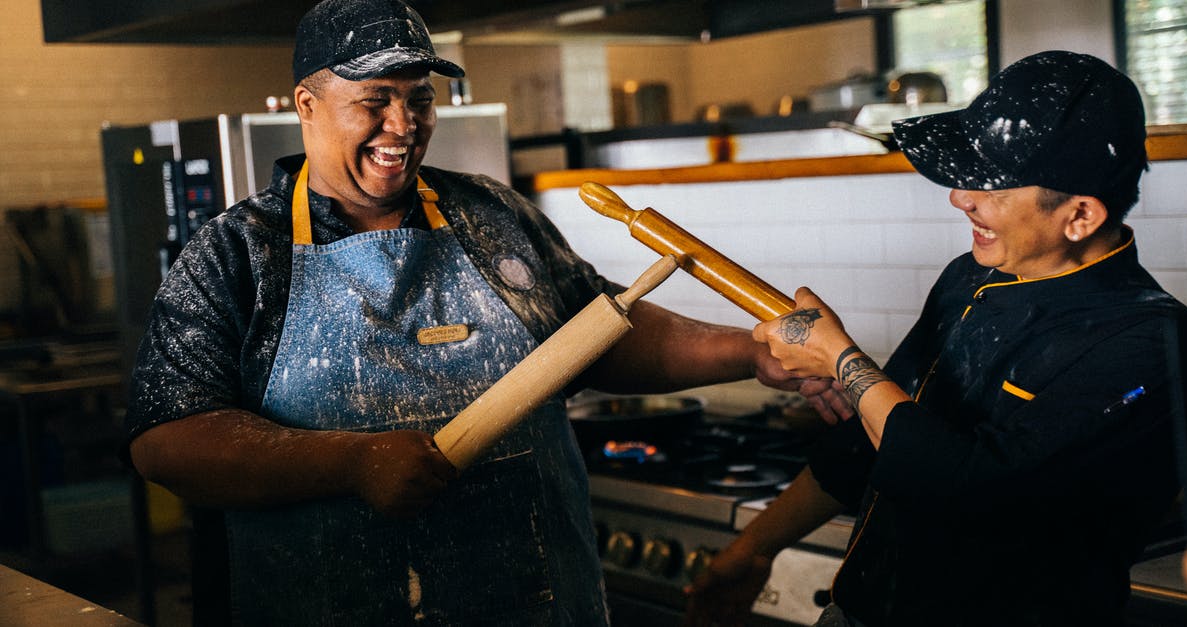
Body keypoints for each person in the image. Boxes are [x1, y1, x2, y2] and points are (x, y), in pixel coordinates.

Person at [123, 0, 799, 624]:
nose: (404, 125)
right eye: (375, 100)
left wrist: (753, 351)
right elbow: (168, 437)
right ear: (307, 104)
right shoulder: (238, 253)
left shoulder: (491, 214)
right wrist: (350, 462)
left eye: (420, 99)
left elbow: (594, 334)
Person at [684, 50, 1187, 627]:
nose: (960, 197)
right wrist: (754, 547)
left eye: (995, 187)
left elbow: (965, 488)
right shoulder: (968, 278)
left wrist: (841, 357)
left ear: (1079, 216)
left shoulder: (1148, 344)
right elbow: (865, 448)